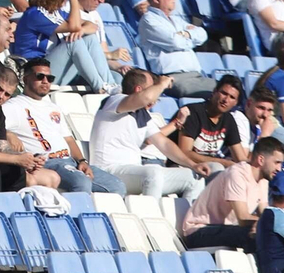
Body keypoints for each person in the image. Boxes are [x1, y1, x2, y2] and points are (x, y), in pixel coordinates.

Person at [4, 57, 124, 194]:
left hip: (70, 162)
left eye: (50, 78)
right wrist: (9, 134)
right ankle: (80, 215)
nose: (45, 81)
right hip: (48, 162)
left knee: (117, 186)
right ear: (25, 80)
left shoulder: (53, 107)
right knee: (81, 182)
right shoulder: (14, 106)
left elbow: (68, 139)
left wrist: (82, 161)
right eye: (40, 76)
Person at [88, 70, 206, 199]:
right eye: (152, 87)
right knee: (152, 172)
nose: (157, 93)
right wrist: (162, 84)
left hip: (135, 173)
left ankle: (188, 219)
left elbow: (164, 144)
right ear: (139, 89)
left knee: (195, 178)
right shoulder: (114, 101)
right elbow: (147, 97)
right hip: (109, 170)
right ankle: (151, 215)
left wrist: (193, 165)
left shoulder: (143, 114)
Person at [180, 137, 284, 250]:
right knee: (256, 235)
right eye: (277, 163)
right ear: (261, 160)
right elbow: (243, 217)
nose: (279, 169)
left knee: (277, 235)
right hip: (198, 231)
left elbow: (264, 213)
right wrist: (270, 224)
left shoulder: (263, 180)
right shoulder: (237, 174)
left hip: (225, 229)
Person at [138, 0, 211, 98]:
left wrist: (185, 34)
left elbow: (203, 34)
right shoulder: (148, 20)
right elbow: (175, 42)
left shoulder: (176, 20)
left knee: (228, 91)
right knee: (216, 94)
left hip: (195, 76)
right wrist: (189, 39)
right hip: (172, 79)